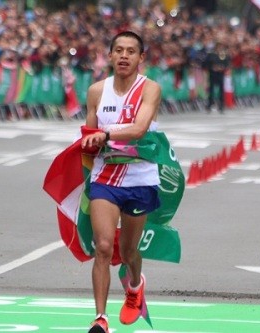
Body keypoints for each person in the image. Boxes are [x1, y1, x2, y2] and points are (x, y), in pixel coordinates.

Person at [81, 31, 162, 333]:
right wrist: (86, 161)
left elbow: (140, 129)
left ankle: (135, 286)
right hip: (105, 178)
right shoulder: (96, 92)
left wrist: (106, 134)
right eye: (118, 50)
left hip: (140, 179)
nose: (124, 56)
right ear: (111, 56)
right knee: (103, 246)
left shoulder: (150, 89)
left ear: (141, 58)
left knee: (128, 252)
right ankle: (100, 319)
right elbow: (88, 137)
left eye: (131, 51)